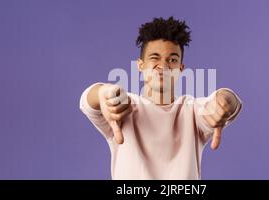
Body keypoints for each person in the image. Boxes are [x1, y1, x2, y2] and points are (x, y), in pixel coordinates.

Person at [80, 16, 242, 179]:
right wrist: (103, 93)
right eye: (154, 57)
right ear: (140, 65)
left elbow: (219, 103)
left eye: (172, 60)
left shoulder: (192, 110)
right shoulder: (123, 107)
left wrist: (226, 100)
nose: (163, 66)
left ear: (180, 68)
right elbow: (89, 101)